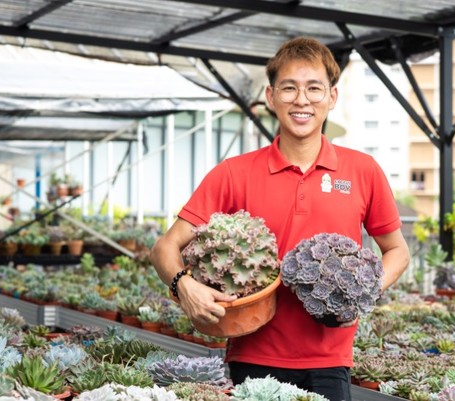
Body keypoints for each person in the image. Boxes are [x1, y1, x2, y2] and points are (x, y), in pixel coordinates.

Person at [150, 37, 410, 401]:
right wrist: (183, 285)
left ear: (332, 97)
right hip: (251, 355)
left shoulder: (362, 171)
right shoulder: (233, 173)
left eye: (314, 89)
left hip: (330, 361)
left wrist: (363, 293)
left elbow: (397, 249)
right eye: (289, 88)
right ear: (271, 97)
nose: (301, 100)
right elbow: (165, 247)